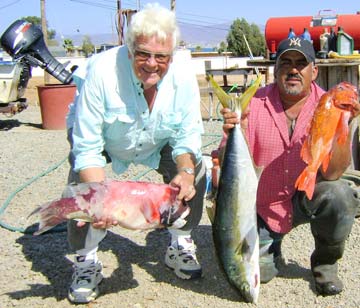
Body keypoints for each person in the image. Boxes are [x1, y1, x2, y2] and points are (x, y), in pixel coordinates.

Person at [65, 3, 206, 304]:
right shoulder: (100, 72)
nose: (152, 64)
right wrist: (100, 199)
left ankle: (180, 243)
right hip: (105, 140)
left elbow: (188, 135)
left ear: (172, 54)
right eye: (143, 53)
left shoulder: (183, 75)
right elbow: (87, 148)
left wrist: (186, 172)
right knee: (80, 194)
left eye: (161, 56)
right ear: (129, 49)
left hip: (157, 140)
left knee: (199, 169)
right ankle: (85, 260)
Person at [220, 37, 360, 296]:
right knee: (261, 274)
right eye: (286, 62)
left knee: (340, 194)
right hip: (265, 204)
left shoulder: (329, 104)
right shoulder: (253, 104)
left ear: (314, 71)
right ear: (276, 69)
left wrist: (344, 122)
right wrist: (233, 132)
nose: (293, 69)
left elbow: (333, 173)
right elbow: (232, 173)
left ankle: (325, 263)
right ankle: (270, 248)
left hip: (306, 196)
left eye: (301, 63)